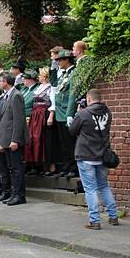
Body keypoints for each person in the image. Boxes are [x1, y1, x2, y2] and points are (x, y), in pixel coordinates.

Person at [69, 89, 119, 230]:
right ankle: (113, 216)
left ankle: (94, 220)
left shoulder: (83, 114)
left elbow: (72, 131)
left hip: (86, 155)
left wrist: (78, 113)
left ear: (89, 99)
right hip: (102, 155)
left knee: (90, 189)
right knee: (103, 186)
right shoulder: (108, 112)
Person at [0, 73, 28, 206]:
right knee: (11, 168)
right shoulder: (7, 95)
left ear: (6, 82)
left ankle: (19, 195)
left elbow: (18, 119)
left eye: (1, 81)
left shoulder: (16, 95)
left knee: (16, 168)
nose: (0, 83)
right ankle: (14, 193)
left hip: (13, 139)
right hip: (7, 139)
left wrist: (15, 139)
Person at [52, 49, 78, 178]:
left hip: (66, 111)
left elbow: (72, 94)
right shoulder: (62, 74)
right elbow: (54, 86)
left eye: (59, 60)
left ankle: (73, 167)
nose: (57, 62)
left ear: (67, 60)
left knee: (70, 143)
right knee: (63, 144)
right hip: (59, 113)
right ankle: (66, 166)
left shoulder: (73, 73)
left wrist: (70, 113)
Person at [26, 67, 55, 173]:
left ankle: (46, 166)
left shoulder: (50, 88)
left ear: (45, 76)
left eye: (40, 75)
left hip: (44, 114)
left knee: (43, 139)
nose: (38, 77)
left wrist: (51, 115)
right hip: (35, 115)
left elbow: (53, 102)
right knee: (34, 139)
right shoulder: (39, 87)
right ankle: (35, 165)